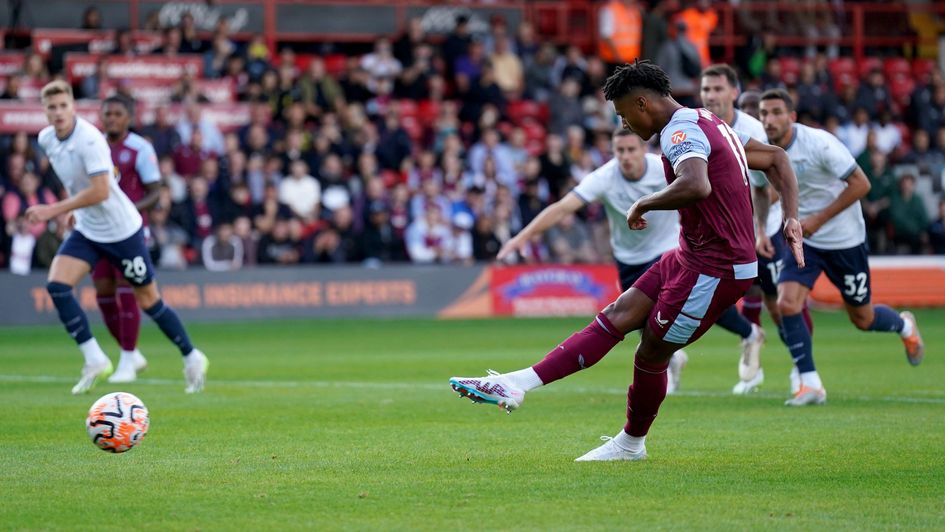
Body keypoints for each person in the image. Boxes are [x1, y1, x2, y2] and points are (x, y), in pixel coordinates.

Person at [450, 61, 803, 461]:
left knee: (651, 353)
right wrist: (791, 217)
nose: (626, 124)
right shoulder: (705, 120)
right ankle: (517, 383)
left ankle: (631, 445)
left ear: (641, 102)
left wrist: (643, 202)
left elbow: (696, 184)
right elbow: (776, 158)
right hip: (689, 255)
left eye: (623, 115)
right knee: (617, 313)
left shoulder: (679, 132)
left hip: (717, 268)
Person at [29, 81, 208, 395]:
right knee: (58, 286)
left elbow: (100, 191)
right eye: (51, 107)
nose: (57, 113)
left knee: (149, 301)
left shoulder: (89, 140)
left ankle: (192, 356)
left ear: (73, 106)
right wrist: (75, 208)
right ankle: (95, 358)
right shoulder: (46, 138)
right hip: (88, 229)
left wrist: (55, 209)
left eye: (62, 106)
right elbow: (79, 183)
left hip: (123, 231)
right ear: (44, 111)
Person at [757, 89, 925, 406]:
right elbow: (777, 190)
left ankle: (904, 325)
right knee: (787, 303)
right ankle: (809, 383)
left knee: (862, 319)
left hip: (844, 240)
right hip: (805, 238)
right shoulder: (765, 151)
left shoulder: (820, 143)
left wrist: (818, 220)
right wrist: (761, 227)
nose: (769, 119)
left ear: (792, 117)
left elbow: (862, 183)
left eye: (776, 111)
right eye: (764, 113)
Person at [498, 129, 690, 392]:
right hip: (627, 257)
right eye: (619, 151)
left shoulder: (662, 169)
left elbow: (695, 187)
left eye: (631, 150)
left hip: (665, 251)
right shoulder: (604, 177)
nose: (625, 156)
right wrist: (523, 236)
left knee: (648, 317)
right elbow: (563, 208)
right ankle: (670, 357)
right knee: (638, 322)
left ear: (643, 149)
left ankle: (665, 362)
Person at [700, 64, 809, 394]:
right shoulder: (697, 125)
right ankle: (752, 345)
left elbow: (768, 185)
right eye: (706, 90)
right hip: (724, 232)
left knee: (779, 305)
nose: (711, 96)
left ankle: (801, 369)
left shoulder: (753, 131)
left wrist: (762, 229)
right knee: (714, 302)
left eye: (718, 89)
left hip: (764, 230)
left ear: (733, 92)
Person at [91, 95, 163, 383]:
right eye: (107, 113)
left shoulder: (140, 148)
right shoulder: (94, 146)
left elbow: (156, 190)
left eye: (117, 114)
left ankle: (126, 361)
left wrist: (129, 210)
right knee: (103, 294)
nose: (111, 118)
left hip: (130, 232)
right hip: (98, 231)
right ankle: (130, 353)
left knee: (126, 289)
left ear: (129, 118)